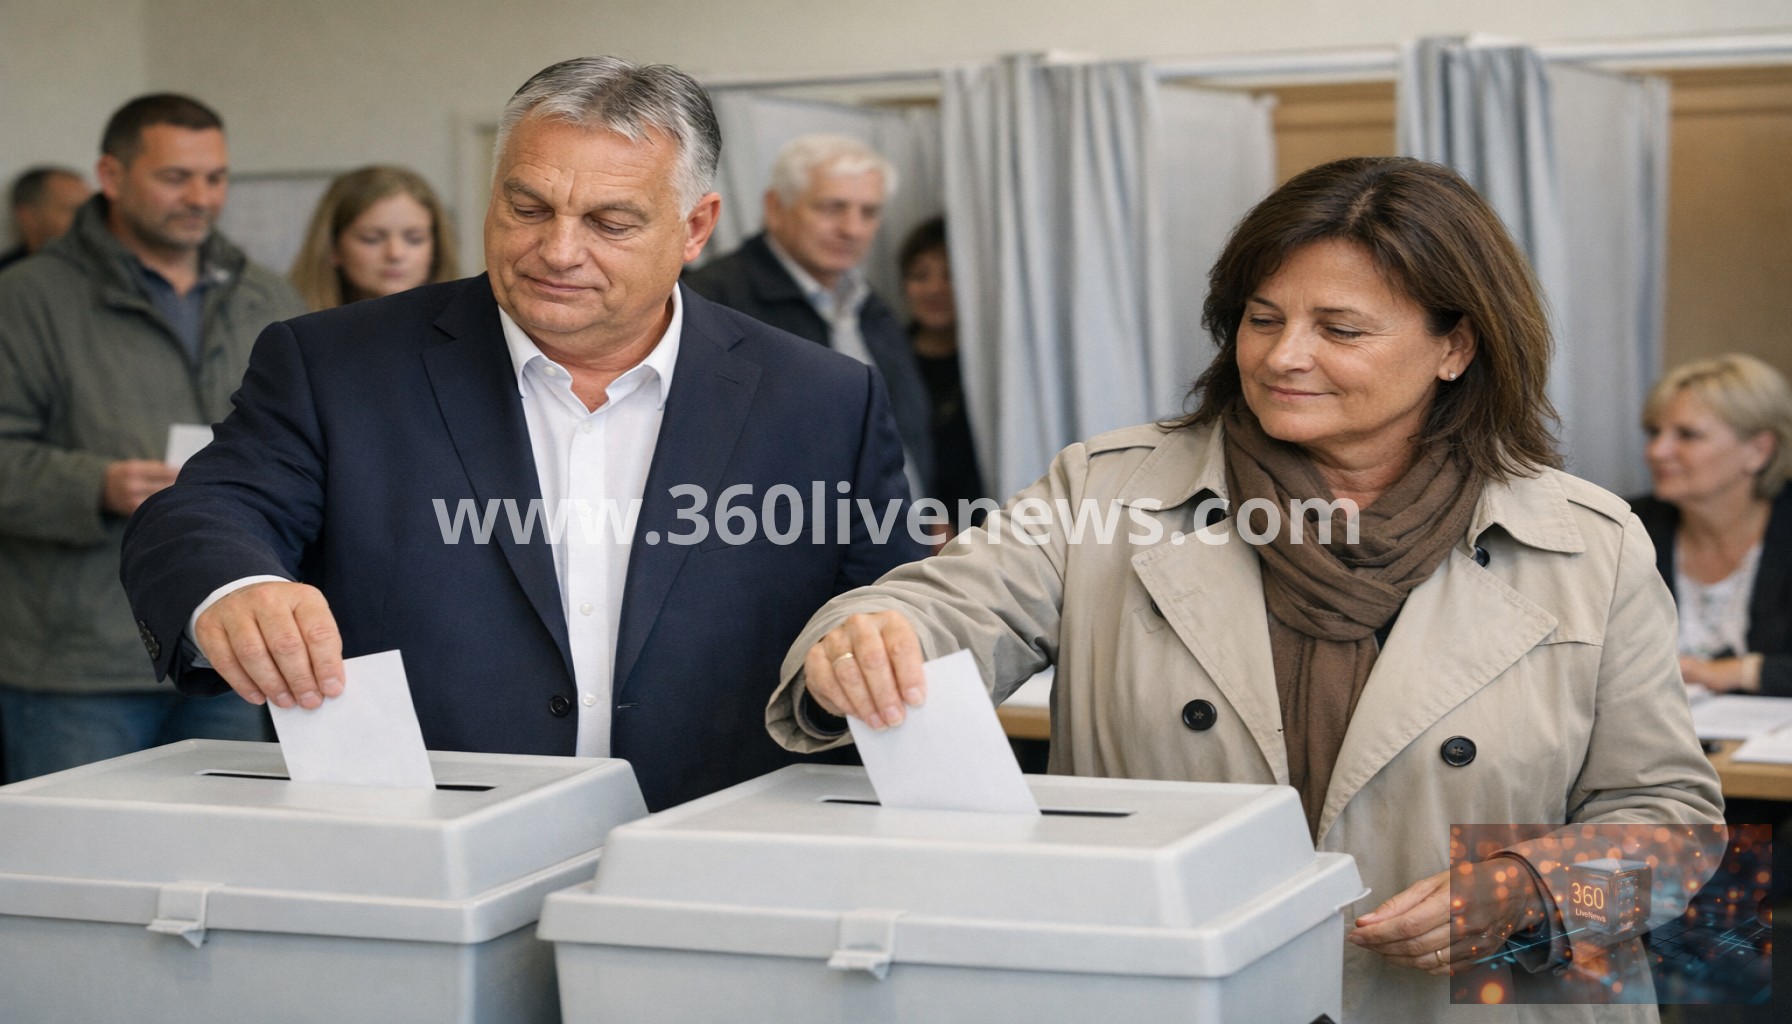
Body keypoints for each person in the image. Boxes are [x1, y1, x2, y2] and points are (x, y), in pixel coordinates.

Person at [766, 157, 1723, 1021]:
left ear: (1455, 347)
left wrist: (1532, 891)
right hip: (1175, 996)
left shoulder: (1586, 544)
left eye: (1339, 328)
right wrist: (870, 630)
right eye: (1263, 319)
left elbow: (1677, 831)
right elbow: (949, 604)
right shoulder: (1109, 490)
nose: (1282, 355)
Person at [120, 57, 924, 812]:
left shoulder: (821, 397)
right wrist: (236, 589)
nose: (558, 251)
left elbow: (893, 600)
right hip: (420, 843)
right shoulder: (336, 366)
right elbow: (205, 513)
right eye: (527, 207)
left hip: (709, 849)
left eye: (610, 222)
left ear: (695, 228)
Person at [0, 95, 306, 782]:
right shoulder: (25, 299)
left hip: (225, 653)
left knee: (222, 864)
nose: (201, 197)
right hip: (77, 665)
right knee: (76, 876)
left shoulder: (269, 297)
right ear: (111, 176)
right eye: (176, 177)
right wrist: (95, 485)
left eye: (216, 178)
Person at [685, 134, 934, 497]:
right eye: (832, 208)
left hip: (898, 531)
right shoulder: (712, 302)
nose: (852, 229)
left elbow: (908, 424)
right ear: (775, 208)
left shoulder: (869, 303)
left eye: (868, 212)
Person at [1633, 354, 1792, 696]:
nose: (1657, 451)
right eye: (1654, 432)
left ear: (1759, 451)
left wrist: (1739, 672)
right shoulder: (1628, 526)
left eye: (1687, 435)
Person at [898, 215, 986, 539]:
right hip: (915, 529)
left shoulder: (993, 367)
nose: (935, 289)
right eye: (920, 276)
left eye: (950, 275)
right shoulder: (889, 359)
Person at [289, 165, 459, 310]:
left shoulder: (472, 323)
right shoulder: (289, 321)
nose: (395, 253)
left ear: (436, 248)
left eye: (415, 239)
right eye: (371, 238)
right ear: (333, 246)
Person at [0, 166, 91, 272]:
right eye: (73, 210)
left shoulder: (103, 269)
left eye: (89, 209)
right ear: (28, 216)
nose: (88, 219)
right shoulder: (8, 276)